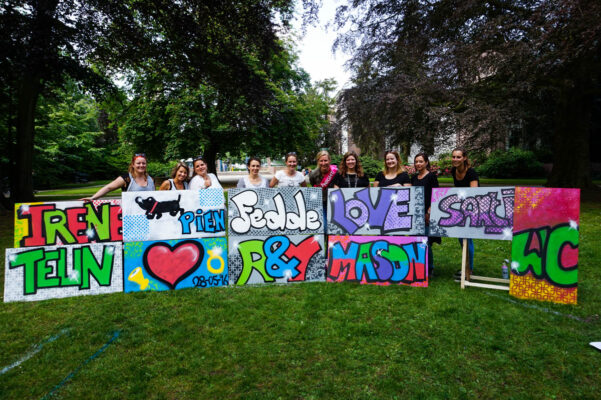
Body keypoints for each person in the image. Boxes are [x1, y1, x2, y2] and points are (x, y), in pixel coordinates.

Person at [411, 152, 441, 277]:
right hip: (416, 214)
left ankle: (430, 268)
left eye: (421, 161)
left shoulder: (431, 177)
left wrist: (428, 212)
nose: (418, 164)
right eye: (416, 161)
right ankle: (419, 266)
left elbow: (436, 195)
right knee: (417, 241)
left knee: (426, 242)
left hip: (428, 214)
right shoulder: (413, 178)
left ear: (426, 162)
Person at [451, 147, 479, 277]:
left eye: (458, 157)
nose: (455, 159)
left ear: (464, 158)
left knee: (467, 239)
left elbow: (474, 192)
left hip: (473, 207)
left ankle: (469, 269)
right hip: (461, 208)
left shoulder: (471, 173)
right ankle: (466, 266)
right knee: (461, 239)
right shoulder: (453, 171)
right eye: (454, 157)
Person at [82, 153, 155, 200]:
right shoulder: (126, 179)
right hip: (131, 216)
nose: (141, 165)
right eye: (138, 163)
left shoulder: (151, 179)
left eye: (143, 163)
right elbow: (108, 187)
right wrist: (93, 197)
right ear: (133, 165)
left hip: (148, 216)